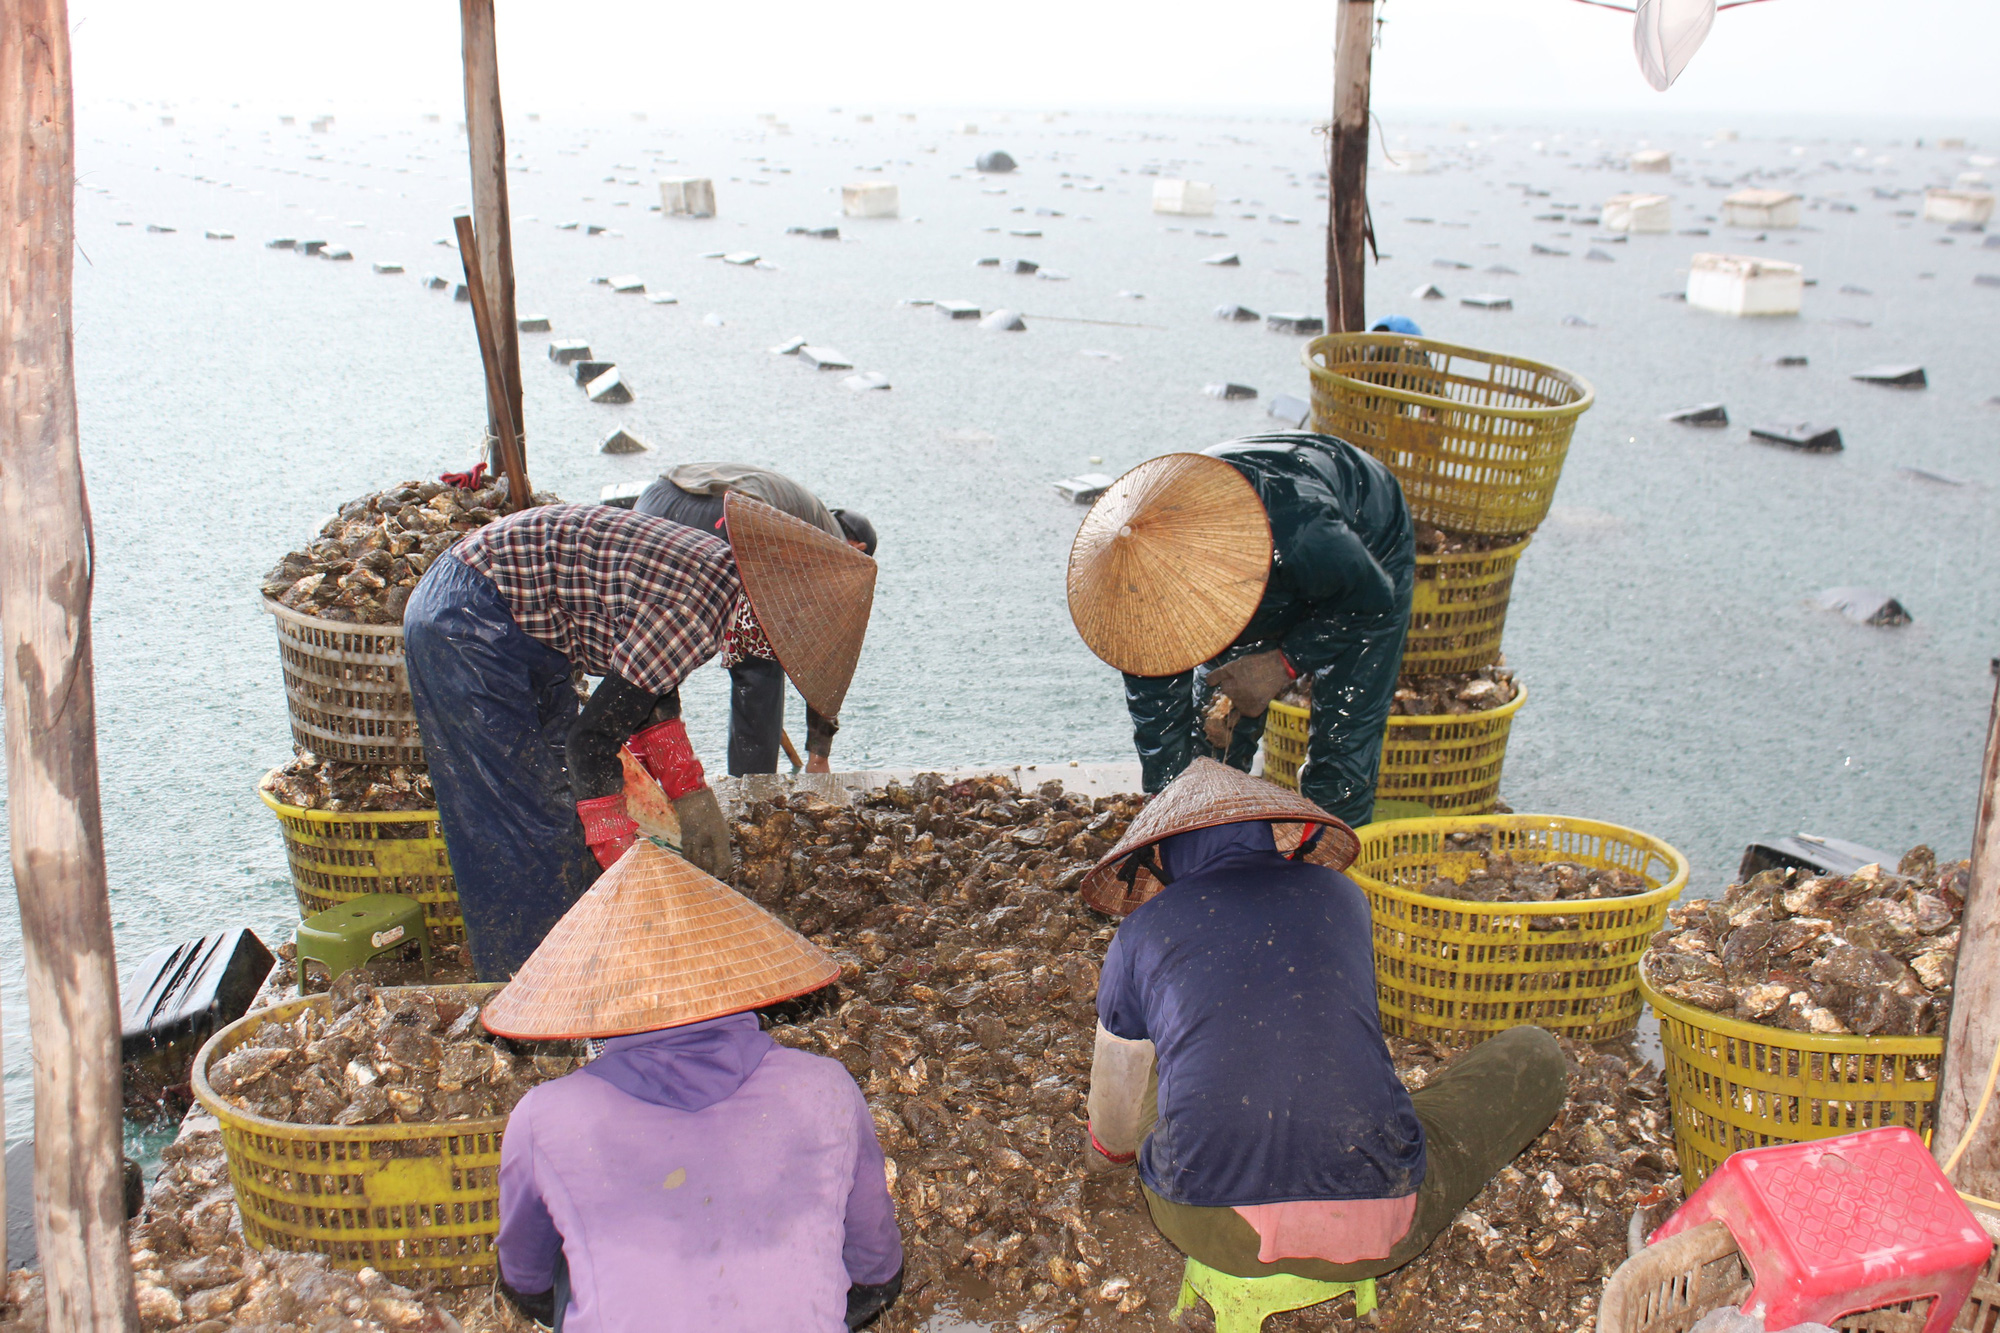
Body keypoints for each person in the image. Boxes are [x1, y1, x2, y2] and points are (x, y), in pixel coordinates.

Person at [1076, 758, 1567, 1283]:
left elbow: (1115, 1105)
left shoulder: (1140, 929)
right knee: (1535, 1051)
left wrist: (1106, 1162)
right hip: (1380, 1224)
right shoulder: (1343, 896)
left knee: (1163, 1044)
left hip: (1211, 1226)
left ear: (1164, 855)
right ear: (1269, 832)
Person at [402, 495, 876, 979]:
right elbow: (591, 741)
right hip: (468, 620)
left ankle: (574, 950)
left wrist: (690, 793)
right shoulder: (694, 613)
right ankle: (527, 981)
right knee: (519, 818)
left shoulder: (721, 572)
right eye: (782, 641)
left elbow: (647, 690)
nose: (774, 652)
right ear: (772, 616)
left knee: (557, 799)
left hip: (527, 629)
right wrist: (624, 864)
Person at [485, 840, 905, 1331]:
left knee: (565, 1248)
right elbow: (878, 1272)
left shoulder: (545, 1117)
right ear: (738, 977)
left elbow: (524, 1279)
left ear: (594, 1003)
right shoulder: (825, 1088)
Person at [1066, 433, 1414, 827]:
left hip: (1363, 545)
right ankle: (1217, 833)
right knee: (1214, 735)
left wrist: (1284, 662)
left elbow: (1372, 601)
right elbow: (1155, 705)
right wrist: (1169, 800)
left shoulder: (1307, 533)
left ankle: (1334, 858)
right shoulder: (1135, 585)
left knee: (1343, 744)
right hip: (1260, 552)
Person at [634, 463, 878, 777]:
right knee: (759, 662)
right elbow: (826, 662)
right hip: (722, 515)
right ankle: (752, 790)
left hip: (654, 502)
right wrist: (819, 757)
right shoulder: (829, 543)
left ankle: (648, 770)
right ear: (857, 551)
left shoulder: (798, 518)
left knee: (654, 645)